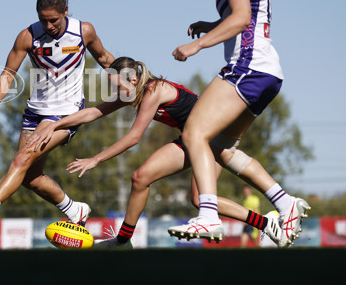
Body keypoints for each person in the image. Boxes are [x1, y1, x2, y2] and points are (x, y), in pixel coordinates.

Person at [27, 56, 300, 248]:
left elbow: (134, 137)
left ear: (133, 78)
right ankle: (123, 241)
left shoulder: (154, 91)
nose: (116, 91)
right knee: (140, 178)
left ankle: (266, 223)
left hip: (213, 138)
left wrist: (96, 159)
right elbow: (92, 113)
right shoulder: (133, 92)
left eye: (118, 86)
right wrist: (56, 124)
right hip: (193, 138)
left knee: (198, 198)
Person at [169, 0, 310, 243]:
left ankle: (207, 216)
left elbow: (242, 19)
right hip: (265, 73)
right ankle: (285, 202)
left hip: (248, 67)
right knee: (220, 148)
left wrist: (197, 45)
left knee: (194, 133)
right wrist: (211, 25)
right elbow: (243, 15)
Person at [0, 0, 114, 234]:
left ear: (66, 11)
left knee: (21, 158)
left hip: (67, 112)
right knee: (30, 177)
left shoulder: (83, 30)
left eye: (54, 19)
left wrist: (130, 80)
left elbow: (105, 58)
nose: (49, 25)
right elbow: (8, 72)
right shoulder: (27, 36)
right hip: (36, 111)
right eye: (43, 20)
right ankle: (75, 210)